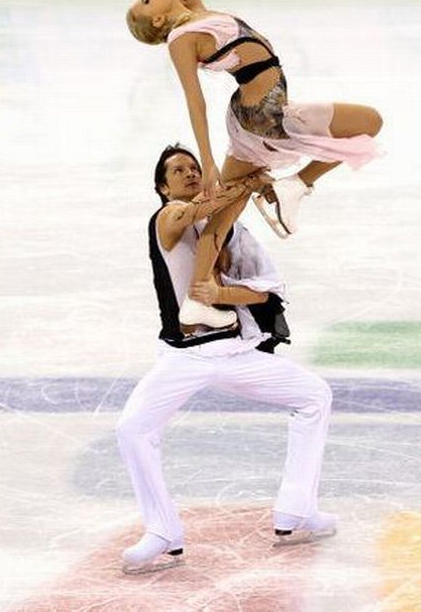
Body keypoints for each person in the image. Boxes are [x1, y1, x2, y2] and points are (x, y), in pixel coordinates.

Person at [125, 0, 383, 331]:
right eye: (148, 0)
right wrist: (205, 159)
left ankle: (198, 299)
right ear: (159, 20)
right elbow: (195, 101)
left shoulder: (191, 8)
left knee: (223, 216)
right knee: (369, 123)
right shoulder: (182, 39)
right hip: (268, 116)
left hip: (251, 118)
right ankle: (296, 184)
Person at [115, 144, 335, 574]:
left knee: (314, 396)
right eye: (177, 170)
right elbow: (201, 208)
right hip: (184, 358)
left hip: (235, 351)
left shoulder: (231, 231)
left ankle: (296, 508)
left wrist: (220, 295)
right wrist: (247, 181)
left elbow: (265, 291)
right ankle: (163, 531)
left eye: (194, 167)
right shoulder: (167, 219)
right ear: (163, 187)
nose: (189, 173)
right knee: (132, 430)